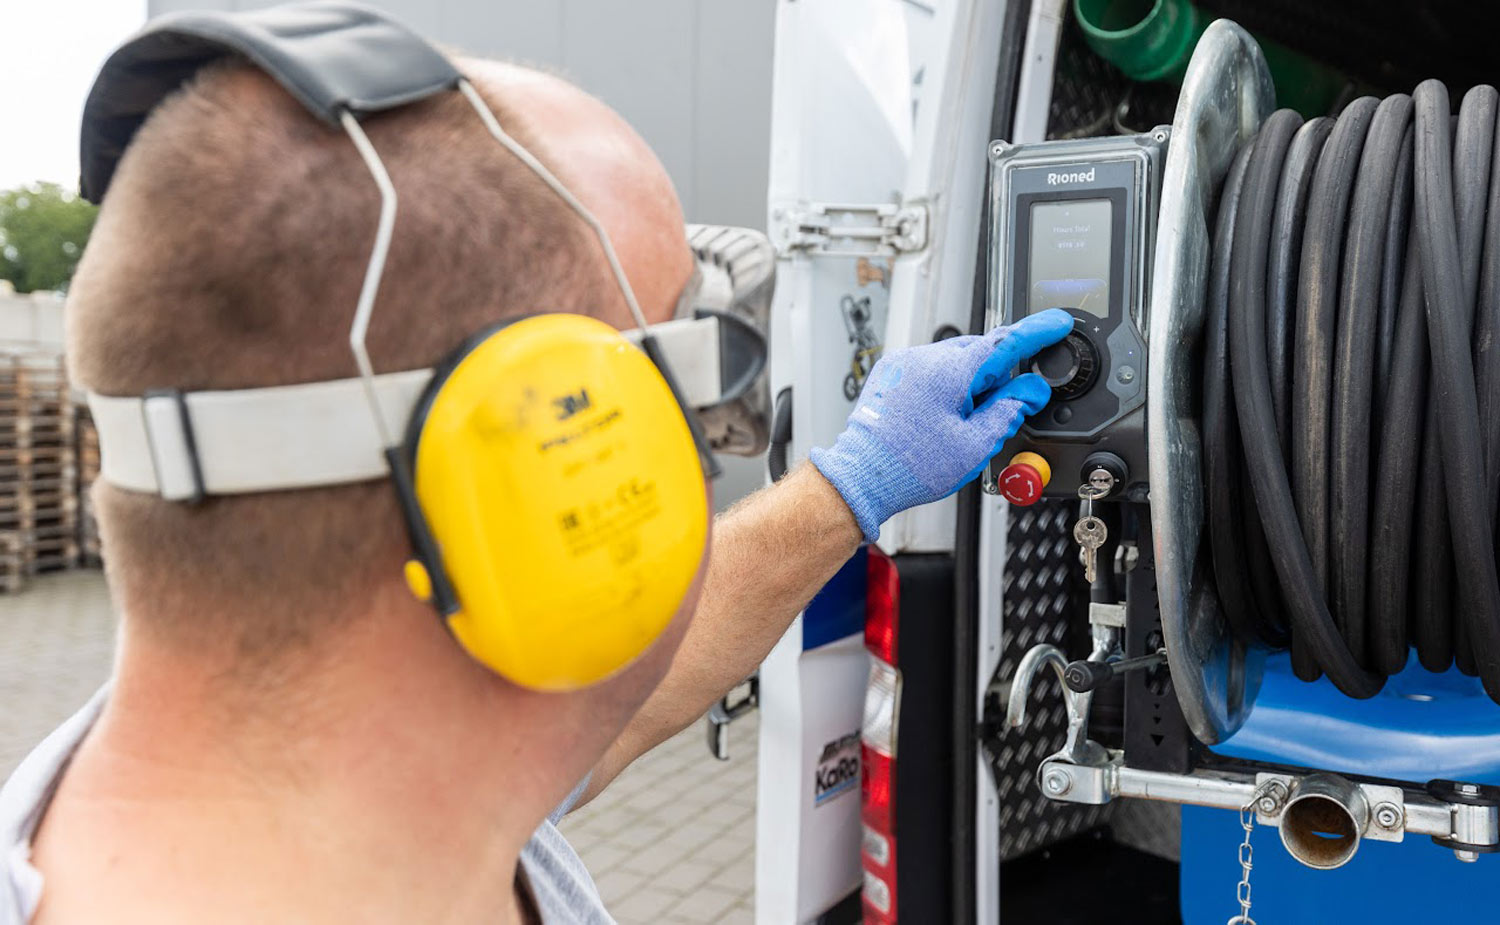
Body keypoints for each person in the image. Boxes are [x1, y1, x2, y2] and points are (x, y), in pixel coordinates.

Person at [0, 34, 1071, 925]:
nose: (700, 454)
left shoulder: (343, 765)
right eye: (678, 386)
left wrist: (860, 481)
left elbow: (642, 682)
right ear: (514, 494)